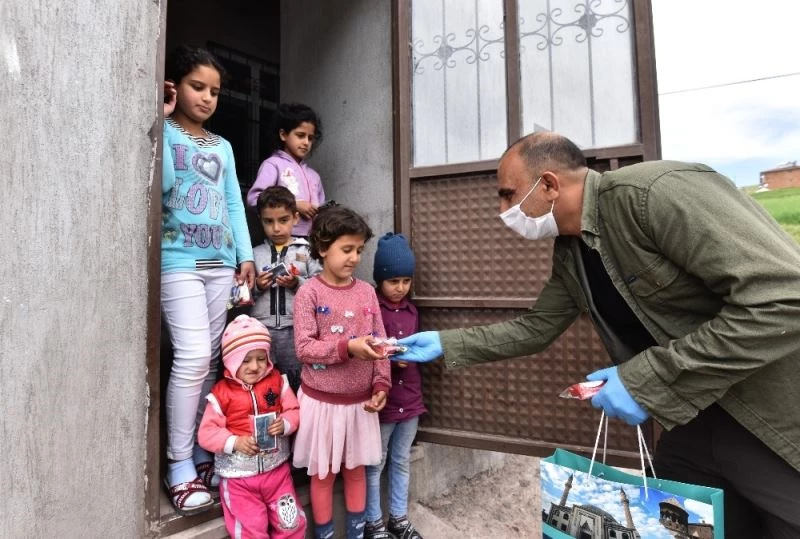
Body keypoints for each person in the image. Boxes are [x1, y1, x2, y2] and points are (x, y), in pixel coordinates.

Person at [395, 132, 800, 538]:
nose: (503, 210)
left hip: (769, 417)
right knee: (681, 525)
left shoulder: (654, 193)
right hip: (689, 419)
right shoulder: (572, 253)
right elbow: (537, 327)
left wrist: (646, 378)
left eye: (507, 194)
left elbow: (783, 299)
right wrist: (446, 343)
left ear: (549, 184)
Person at [161, 45, 256, 515]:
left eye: (214, 91)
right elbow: (158, 187)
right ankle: (177, 463)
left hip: (219, 266)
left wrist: (244, 255)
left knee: (210, 362)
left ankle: (202, 450)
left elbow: (235, 204)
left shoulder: (222, 147)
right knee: (194, 355)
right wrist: (158, 119)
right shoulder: (163, 132)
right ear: (174, 86)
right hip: (176, 261)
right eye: (198, 87)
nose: (207, 98)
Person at [292, 205, 393, 539]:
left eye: (359, 250)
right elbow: (304, 348)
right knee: (322, 475)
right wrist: (347, 347)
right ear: (323, 248)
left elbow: (380, 342)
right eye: (346, 249)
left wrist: (381, 382)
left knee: (356, 471)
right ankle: (323, 534)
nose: (354, 257)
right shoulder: (309, 292)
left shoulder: (367, 292)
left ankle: (356, 533)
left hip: (359, 404)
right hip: (321, 404)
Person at [198, 315, 306, 538]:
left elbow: (294, 411)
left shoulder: (277, 381)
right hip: (239, 480)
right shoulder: (221, 394)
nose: (255, 366)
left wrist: (285, 424)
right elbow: (207, 434)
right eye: (245, 360)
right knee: (250, 531)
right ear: (231, 361)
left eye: (260, 358)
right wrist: (234, 442)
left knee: (291, 523)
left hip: (277, 473)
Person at [364, 234, 426, 539]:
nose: (400, 287)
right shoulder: (372, 309)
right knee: (376, 462)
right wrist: (389, 361)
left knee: (401, 459)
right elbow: (367, 351)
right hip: (383, 398)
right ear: (380, 280)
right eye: (393, 281)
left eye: (406, 280)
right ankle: (373, 522)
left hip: (411, 398)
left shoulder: (413, 311)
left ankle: (398, 519)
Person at [252, 185, 322, 393]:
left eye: (283, 220)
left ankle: (298, 424)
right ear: (260, 220)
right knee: (264, 385)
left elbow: (321, 287)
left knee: (297, 382)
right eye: (268, 221)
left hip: (296, 329)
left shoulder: (307, 251)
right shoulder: (253, 254)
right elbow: (237, 293)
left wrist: (296, 283)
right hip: (261, 330)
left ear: (295, 218)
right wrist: (256, 286)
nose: (276, 228)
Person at [247, 103, 325, 238]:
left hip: (312, 242)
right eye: (300, 135)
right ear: (283, 135)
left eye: (310, 138)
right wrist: (294, 205)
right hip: (282, 239)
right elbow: (254, 199)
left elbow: (322, 211)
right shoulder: (273, 165)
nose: (306, 142)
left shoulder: (314, 176)